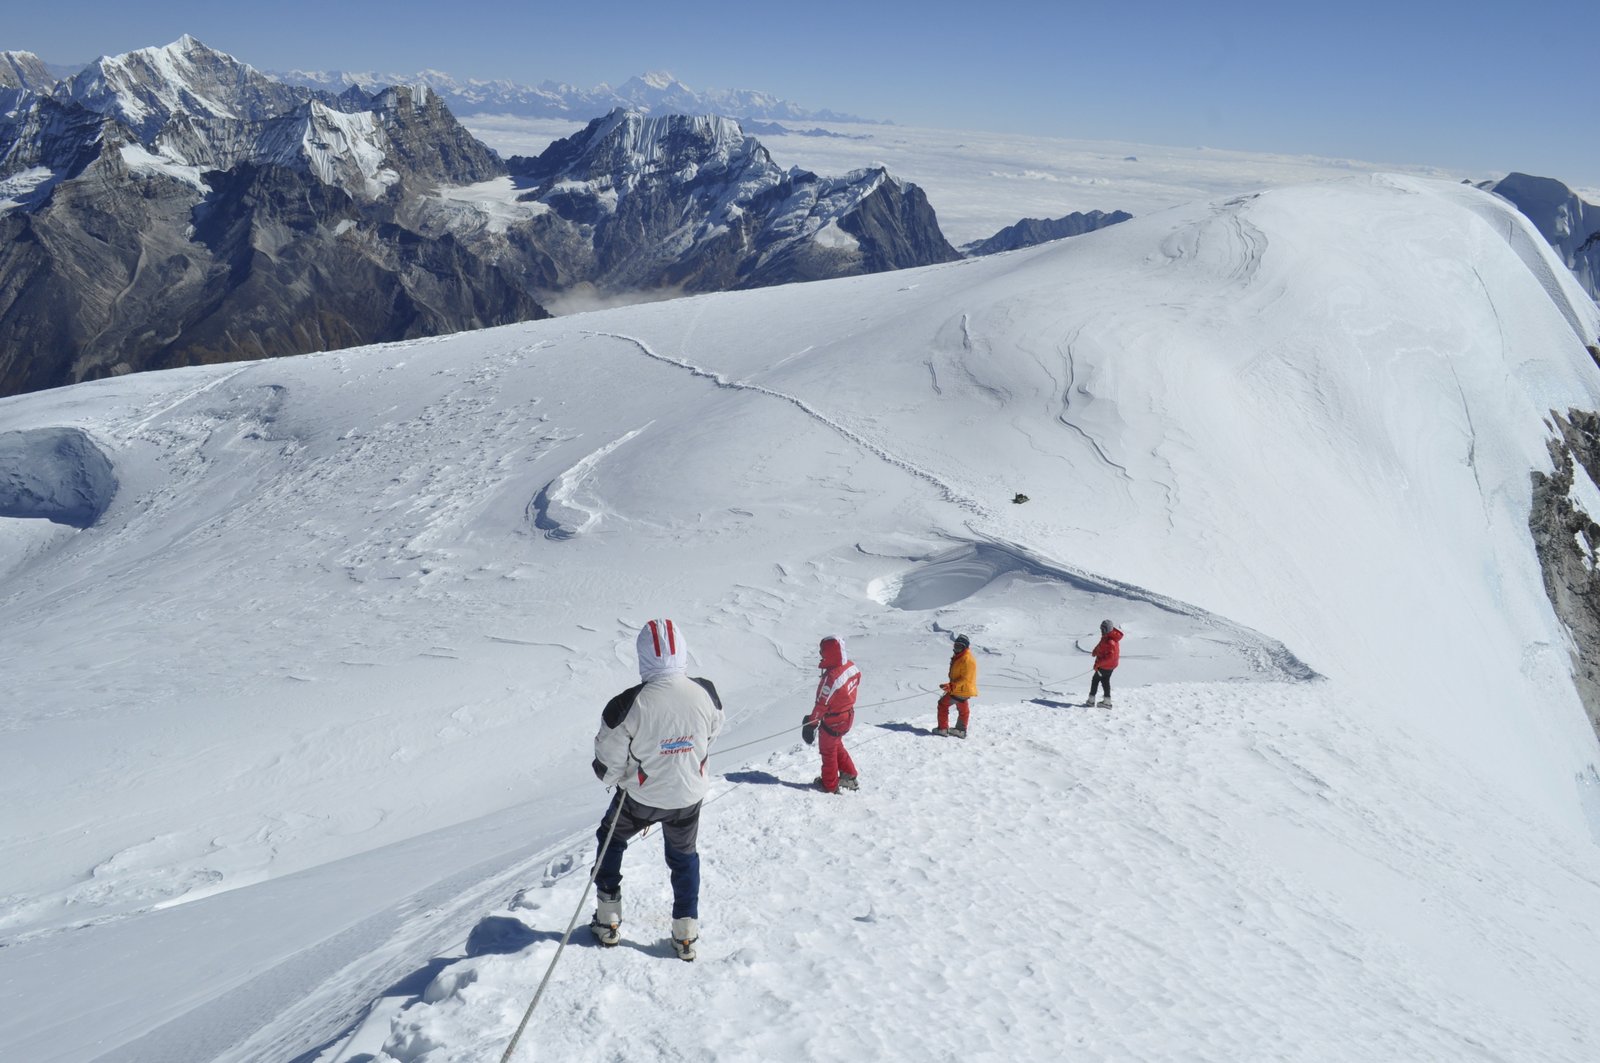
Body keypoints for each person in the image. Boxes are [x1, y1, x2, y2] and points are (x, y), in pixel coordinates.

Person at [590, 618, 724, 961]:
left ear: (642, 655)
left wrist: (627, 776)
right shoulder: (705, 692)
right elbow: (711, 732)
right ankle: (686, 934)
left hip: (641, 799)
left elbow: (608, 763)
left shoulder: (627, 704)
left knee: (610, 839)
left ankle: (608, 919)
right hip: (687, 796)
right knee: (684, 857)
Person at [802, 635, 862, 793]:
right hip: (848, 716)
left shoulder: (831, 679)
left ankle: (829, 785)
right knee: (836, 744)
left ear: (830, 652)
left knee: (828, 750)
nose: (821, 654)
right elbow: (857, 680)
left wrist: (811, 724)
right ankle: (849, 775)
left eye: (823, 651)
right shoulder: (851, 667)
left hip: (833, 720)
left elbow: (821, 705)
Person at [933, 633, 978, 738]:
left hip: (960, 690)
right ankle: (960, 730)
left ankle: (942, 729)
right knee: (963, 709)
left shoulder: (967, 659)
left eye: (960, 646)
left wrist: (951, 686)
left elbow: (965, 678)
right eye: (956, 645)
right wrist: (951, 685)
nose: (957, 648)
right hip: (962, 689)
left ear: (965, 647)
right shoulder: (960, 656)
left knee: (942, 704)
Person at [1086, 619, 1122, 707]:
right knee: (1105, 681)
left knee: (1095, 680)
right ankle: (1107, 701)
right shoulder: (1106, 637)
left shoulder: (1110, 641)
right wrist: (1095, 651)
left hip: (1105, 666)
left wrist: (1098, 664)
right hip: (1109, 666)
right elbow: (1101, 645)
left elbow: (1110, 657)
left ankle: (1091, 701)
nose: (1101, 631)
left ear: (1107, 629)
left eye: (1103, 629)